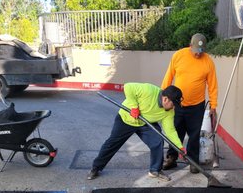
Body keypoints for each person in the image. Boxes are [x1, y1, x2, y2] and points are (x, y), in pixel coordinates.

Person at [87, 82, 184, 182]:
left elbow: (170, 131)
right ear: (165, 99)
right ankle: (96, 167)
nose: (173, 107)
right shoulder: (149, 90)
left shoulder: (169, 112)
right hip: (126, 119)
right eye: (173, 104)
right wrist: (134, 106)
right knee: (112, 144)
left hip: (144, 124)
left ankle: (155, 170)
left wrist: (179, 147)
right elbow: (128, 87)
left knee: (158, 141)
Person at [161, 33, 218, 173]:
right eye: (195, 51)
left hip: (197, 105)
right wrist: (162, 95)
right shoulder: (179, 56)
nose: (198, 54)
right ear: (190, 45)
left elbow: (213, 85)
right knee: (175, 131)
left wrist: (214, 105)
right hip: (177, 104)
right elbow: (169, 76)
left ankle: (193, 161)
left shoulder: (208, 62)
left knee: (194, 135)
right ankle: (171, 158)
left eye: (201, 51)